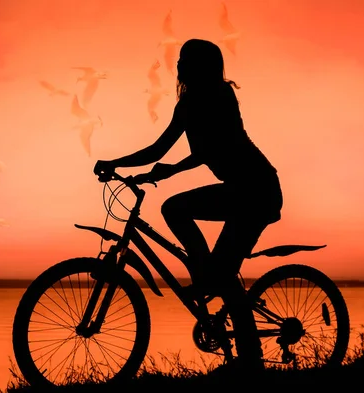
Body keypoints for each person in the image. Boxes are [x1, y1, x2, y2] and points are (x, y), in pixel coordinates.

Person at [93, 38, 283, 370]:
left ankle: (250, 361)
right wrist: (117, 163)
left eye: (185, 59)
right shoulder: (186, 105)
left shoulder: (221, 96)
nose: (178, 65)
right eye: (178, 59)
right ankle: (211, 277)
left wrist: (169, 170)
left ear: (200, 65)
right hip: (240, 190)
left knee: (178, 214)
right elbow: (158, 149)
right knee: (207, 253)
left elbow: (215, 148)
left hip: (257, 189)